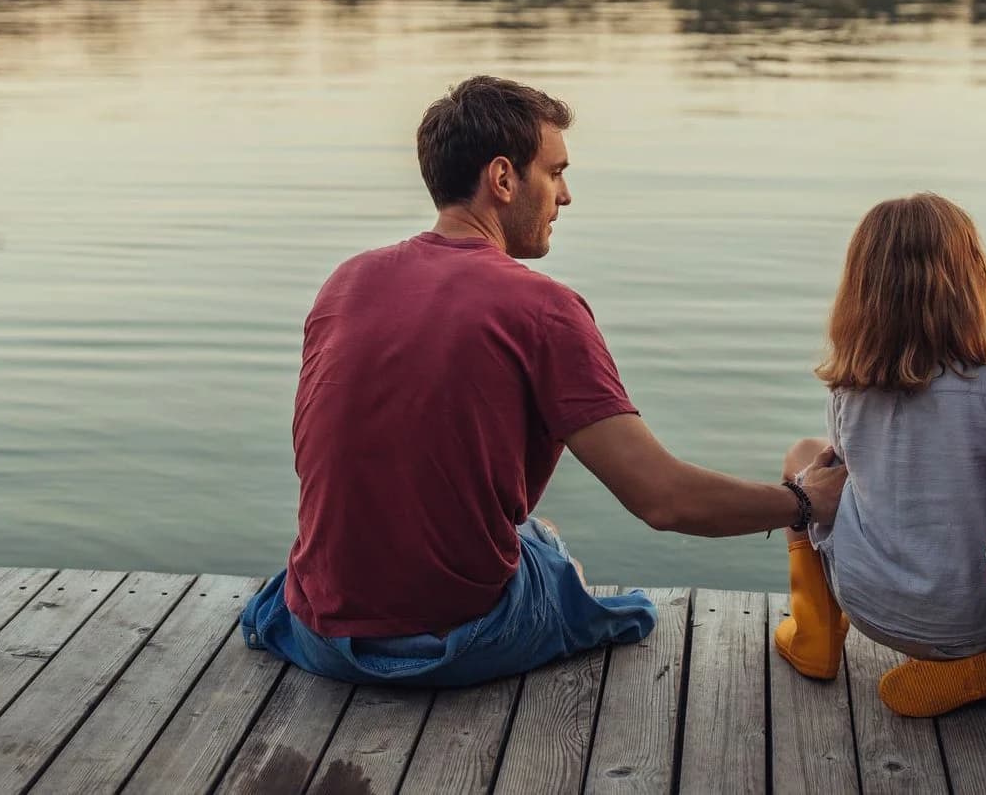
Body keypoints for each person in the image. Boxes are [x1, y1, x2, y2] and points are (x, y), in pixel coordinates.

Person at [243, 74, 849, 689]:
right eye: (554, 172)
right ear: (503, 180)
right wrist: (803, 502)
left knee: (528, 535)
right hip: (453, 644)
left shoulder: (347, 281)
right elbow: (664, 500)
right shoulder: (541, 308)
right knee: (584, 578)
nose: (565, 196)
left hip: (321, 634)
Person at [772, 193, 986, 719]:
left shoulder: (851, 390)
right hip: (985, 614)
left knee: (806, 464)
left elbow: (844, 478)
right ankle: (971, 661)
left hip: (872, 607)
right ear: (972, 280)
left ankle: (816, 632)